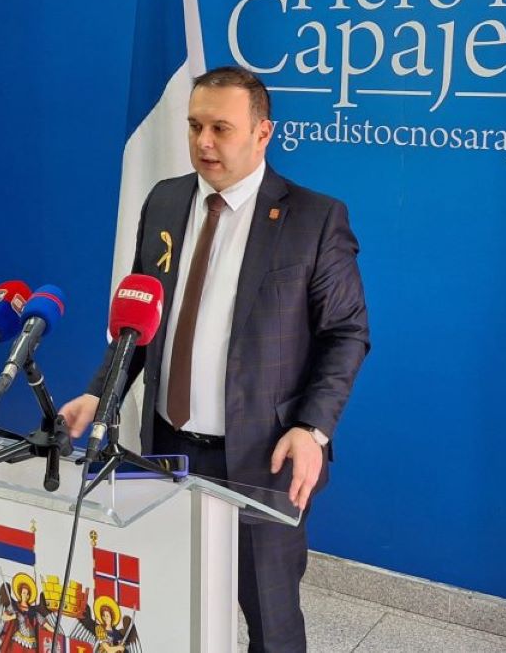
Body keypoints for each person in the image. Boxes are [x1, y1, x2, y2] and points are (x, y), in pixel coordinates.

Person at [59, 65, 369, 652]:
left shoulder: (314, 218)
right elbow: (139, 322)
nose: (203, 141)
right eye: (195, 125)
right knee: (166, 602)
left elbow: (346, 333)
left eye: (220, 128)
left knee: (270, 620)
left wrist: (312, 429)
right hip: (166, 449)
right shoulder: (166, 200)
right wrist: (102, 394)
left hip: (261, 457)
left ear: (262, 132)